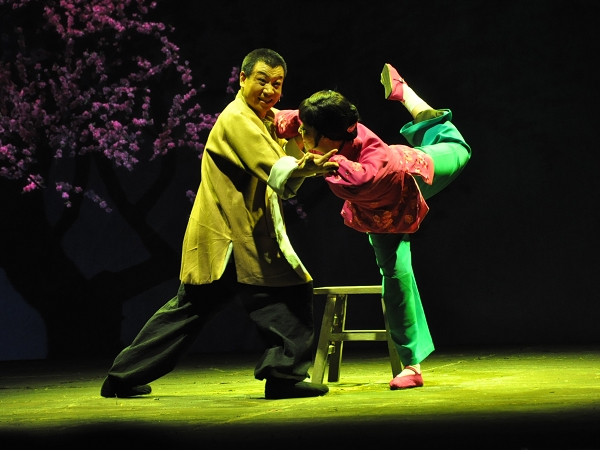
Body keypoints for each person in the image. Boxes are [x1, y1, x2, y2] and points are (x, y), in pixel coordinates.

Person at [100, 48, 338, 400]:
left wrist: (301, 151)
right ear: (242, 79)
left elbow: (283, 165)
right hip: (227, 236)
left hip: (245, 235)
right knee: (280, 295)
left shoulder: (266, 119)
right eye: (262, 80)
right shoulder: (237, 119)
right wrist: (304, 167)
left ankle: (123, 375)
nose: (269, 90)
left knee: (225, 305)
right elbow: (275, 169)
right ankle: (283, 376)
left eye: (277, 84)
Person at [273, 63, 471, 390]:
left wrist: (326, 163)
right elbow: (287, 120)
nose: (302, 136)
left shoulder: (371, 159)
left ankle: (405, 94)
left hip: (411, 176)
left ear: (330, 135)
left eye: (307, 132)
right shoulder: (323, 128)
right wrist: (272, 116)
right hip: (379, 214)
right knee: (395, 275)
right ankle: (412, 365)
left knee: (458, 146)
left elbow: (361, 177)